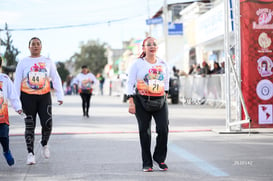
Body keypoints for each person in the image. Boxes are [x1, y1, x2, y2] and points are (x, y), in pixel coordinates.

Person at [14, 37, 64, 165]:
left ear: (41, 47)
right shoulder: (23, 62)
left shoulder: (47, 61)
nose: (35, 46)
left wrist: (60, 95)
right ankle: (30, 153)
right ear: (29, 47)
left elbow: (56, 78)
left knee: (47, 124)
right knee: (30, 125)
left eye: (38, 44)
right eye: (33, 44)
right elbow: (17, 82)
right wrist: (16, 103)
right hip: (27, 97)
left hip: (44, 97)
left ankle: (44, 143)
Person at [126, 37, 169, 172]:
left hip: (160, 99)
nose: (152, 46)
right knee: (145, 132)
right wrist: (131, 102)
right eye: (148, 44)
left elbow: (166, 82)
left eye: (154, 44)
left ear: (157, 47)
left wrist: (165, 96)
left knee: (163, 129)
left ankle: (159, 158)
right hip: (141, 100)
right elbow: (130, 83)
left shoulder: (163, 63)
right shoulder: (138, 64)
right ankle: (147, 162)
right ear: (144, 48)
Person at [0, 57, 23, 166]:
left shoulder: (4, 78)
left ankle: (6, 151)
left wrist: (18, 107)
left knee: (3, 137)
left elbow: (12, 95)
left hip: (2, 116)